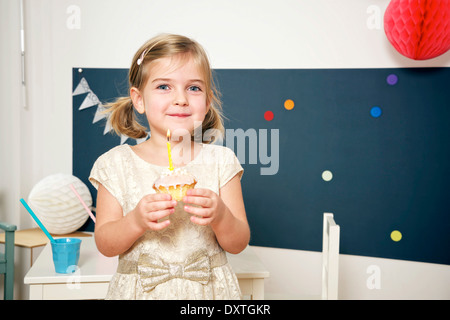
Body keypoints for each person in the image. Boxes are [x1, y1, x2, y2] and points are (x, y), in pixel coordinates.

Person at [89, 34, 250, 299]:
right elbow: (105, 244)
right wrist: (136, 221)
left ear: (207, 103)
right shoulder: (115, 164)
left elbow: (238, 242)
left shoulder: (222, 161)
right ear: (139, 99)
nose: (181, 99)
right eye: (164, 86)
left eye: (194, 88)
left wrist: (221, 216)